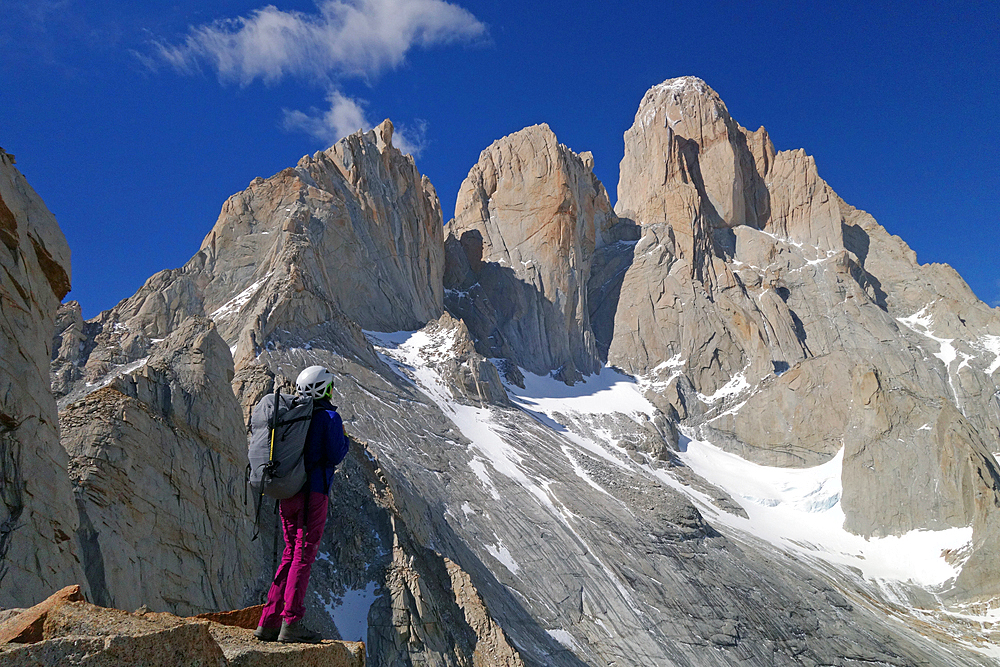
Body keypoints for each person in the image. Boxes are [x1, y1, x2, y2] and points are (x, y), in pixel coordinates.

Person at [254, 366, 349, 643]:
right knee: (302, 557)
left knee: (289, 554)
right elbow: (335, 454)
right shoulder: (329, 417)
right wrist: (342, 439)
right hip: (313, 494)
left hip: (288, 493)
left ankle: (268, 621)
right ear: (323, 389)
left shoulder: (293, 416)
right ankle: (291, 623)